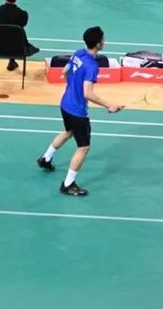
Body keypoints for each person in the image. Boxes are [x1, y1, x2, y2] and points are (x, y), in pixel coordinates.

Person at [36, 26, 122, 196]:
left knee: (68, 132)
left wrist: (71, 87)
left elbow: (65, 71)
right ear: (98, 44)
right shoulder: (92, 66)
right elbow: (87, 93)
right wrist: (109, 105)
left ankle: (46, 158)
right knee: (83, 147)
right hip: (77, 111)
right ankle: (68, 184)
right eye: (103, 39)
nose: (104, 41)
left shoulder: (78, 53)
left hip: (65, 103)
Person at [0, 0, 40, 71]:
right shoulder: (23, 14)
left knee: (9, 30)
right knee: (17, 31)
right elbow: (23, 24)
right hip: (17, 49)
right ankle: (15, 57)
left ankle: (12, 61)